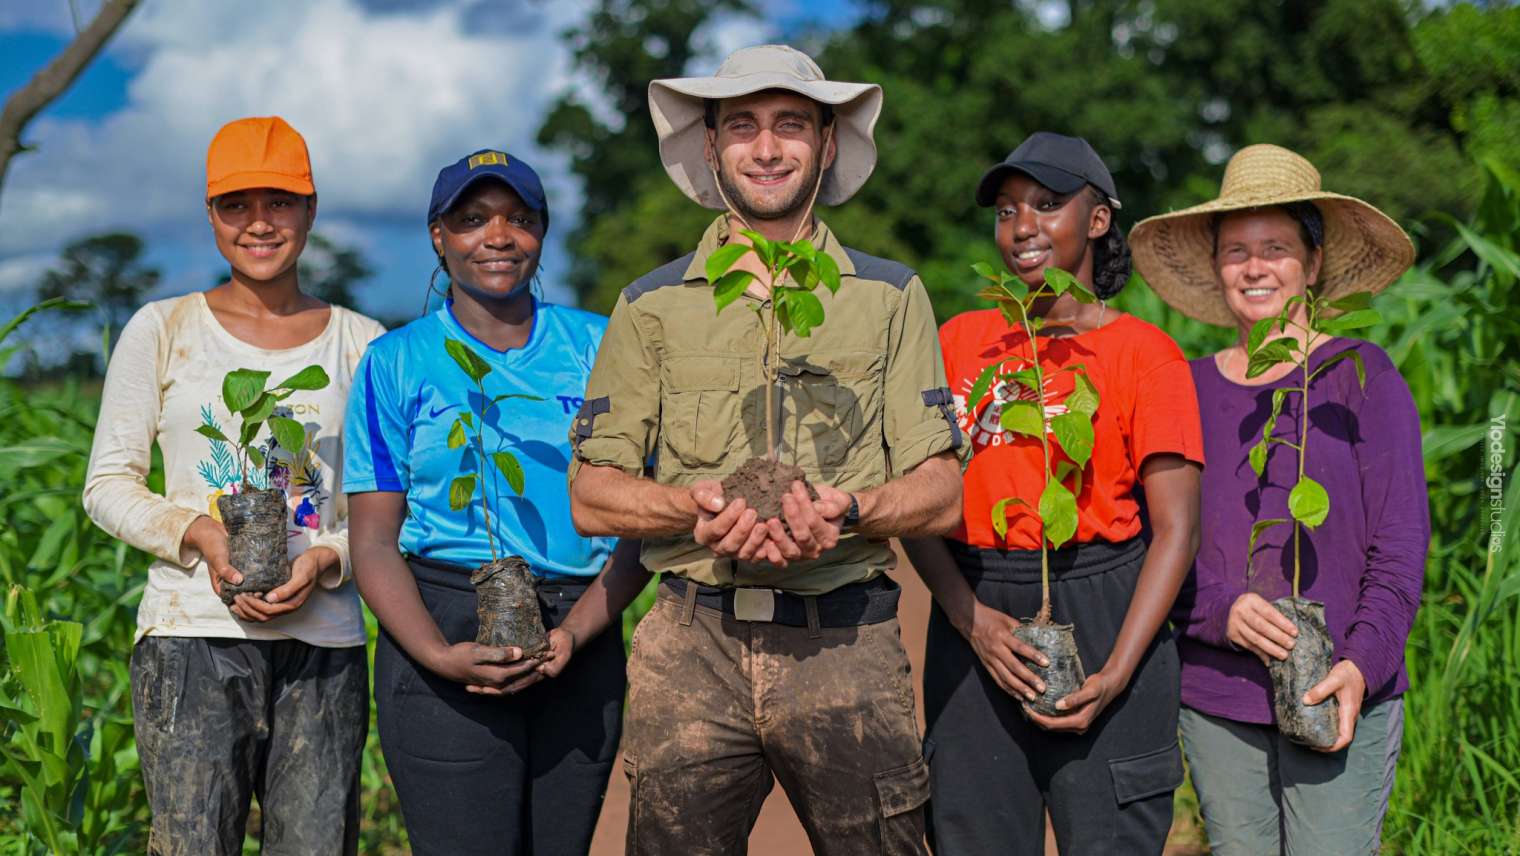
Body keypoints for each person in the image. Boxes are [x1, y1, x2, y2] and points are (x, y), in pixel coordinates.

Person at [567, 44, 966, 854]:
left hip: (846, 637)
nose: (768, 146)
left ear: (825, 141)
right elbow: (591, 492)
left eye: (791, 124)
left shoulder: (888, 297)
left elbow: (940, 488)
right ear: (710, 145)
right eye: (742, 125)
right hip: (691, 644)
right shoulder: (651, 307)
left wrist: (851, 510)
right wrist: (692, 507)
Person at [82, 116, 383, 855]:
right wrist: (204, 536)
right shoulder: (163, 328)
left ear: (310, 210)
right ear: (211, 216)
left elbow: (383, 506)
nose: (259, 224)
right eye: (235, 205)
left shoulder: (363, 342)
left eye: (280, 202)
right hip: (190, 640)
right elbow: (107, 485)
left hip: (324, 642)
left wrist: (325, 558)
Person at [902, 132, 1205, 855]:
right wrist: (970, 618)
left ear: (1097, 220)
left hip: (1107, 605)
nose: (1023, 227)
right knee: (970, 830)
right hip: (979, 614)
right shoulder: (960, 342)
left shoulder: (1143, 353)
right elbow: (917, 503)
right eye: (1006, 212)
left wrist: (1117, 673)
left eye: (1047, 204)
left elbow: (1177, 531)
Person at [343, 149, 645, 856]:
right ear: (438, 237)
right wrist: (440, 656)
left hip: (582, 632)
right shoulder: (397, 361)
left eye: (520, 219)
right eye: (472, 219)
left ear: (543, 233)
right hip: (444, 624)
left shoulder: (599, 346)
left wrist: (579, 632)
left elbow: (639, 524)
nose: (498, 236)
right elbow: (375, 542)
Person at [1129, 143, 1426, 855]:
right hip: (1217, 698)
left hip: (1341, 688)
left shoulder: (1361, 374)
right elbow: (1153, 538)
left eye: (1276, 248)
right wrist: (1219, 611)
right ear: (1216, 267)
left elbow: (1400, 544)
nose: (1255, 267)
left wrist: (1362, 663)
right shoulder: (1185, 387)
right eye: (1236, 250)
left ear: (1313, 263)